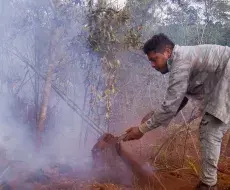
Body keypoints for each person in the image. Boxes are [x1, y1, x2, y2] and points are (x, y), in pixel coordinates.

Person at [123, 33, 230, 190]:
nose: (152, 65)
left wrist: (142, 130)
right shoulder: (181, 59)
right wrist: (153, 117)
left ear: (167, 51)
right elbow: (180, 99)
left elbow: (171, 105)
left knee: (210, 128)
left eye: (154, 59)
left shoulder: (180, 63)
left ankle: (208, 185)